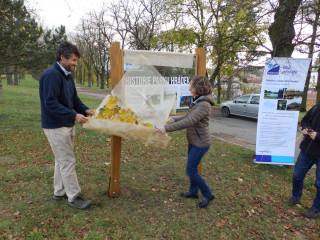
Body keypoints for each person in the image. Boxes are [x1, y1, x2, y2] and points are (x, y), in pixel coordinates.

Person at [39, 41, 94, 210]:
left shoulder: (68, 76)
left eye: (76, 61)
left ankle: (59, 191)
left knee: (61, 160)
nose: (75, 64)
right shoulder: (51, 75)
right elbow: (51, 104)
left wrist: (85, 110)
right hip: (55, 126)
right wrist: (74, 115)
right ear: (62, 57)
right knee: (67, 161)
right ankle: (74, 197)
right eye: (74, 60)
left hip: (66, 124)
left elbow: (74, 100)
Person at [156, 75, 215, 208]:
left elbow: (189, 121)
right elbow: (189, 116)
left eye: (191, 85)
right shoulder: (198, 101)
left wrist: (166, 128)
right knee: (193, 169)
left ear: (198, 88)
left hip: (201, 143)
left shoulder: (204, 105)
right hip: (194, 141)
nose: (189, 88)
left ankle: (207, 193)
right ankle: (193, 192)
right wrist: (174, 120)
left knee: (190, 170)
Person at [286, 103, 320, 218]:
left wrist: (318, 136)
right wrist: (305, 128)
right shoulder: (317, 107)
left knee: (319, 184)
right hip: (307, 150)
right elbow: (305, 119)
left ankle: (316, 208)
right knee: (297, 176)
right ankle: (296, 197)